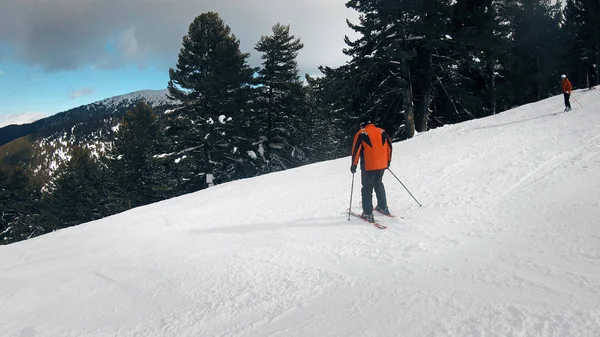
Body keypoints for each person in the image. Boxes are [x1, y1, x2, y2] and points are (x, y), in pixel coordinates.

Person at [350, 119, 393, 222]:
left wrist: (353, 165)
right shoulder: (382, 131)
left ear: (362, 126)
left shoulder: (361, 133)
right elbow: (389, 147)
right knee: (378, 184)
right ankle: (383, 207)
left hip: (368, 166)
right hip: (382, 165)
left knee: (367, 188)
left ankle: (368, 213)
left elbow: (356, 150)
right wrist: (388, 161)